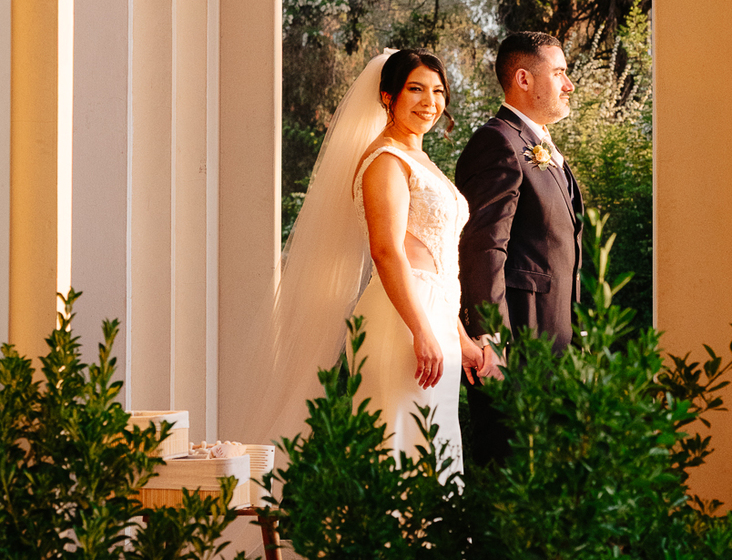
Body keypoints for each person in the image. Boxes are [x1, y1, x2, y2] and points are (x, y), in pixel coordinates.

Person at [242, 47, 493, 475]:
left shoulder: (421, 159)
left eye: (437, 91)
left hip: (433, 318)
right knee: (399, 449)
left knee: (431, 454)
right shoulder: (386, 161)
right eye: (415, 89)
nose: (429, 101)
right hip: (401, 322)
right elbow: (387, 252)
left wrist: (462, 340)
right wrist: (421, 330)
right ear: (387, 96)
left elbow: (436, 269)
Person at [455, 32, 584, 458]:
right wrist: (489, 338)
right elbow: (483, 247)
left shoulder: (537, 144)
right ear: (524, 79)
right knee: (512, 471)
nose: (568, 85)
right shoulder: (497, 142)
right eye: (559, 73)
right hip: (517, 347)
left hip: (554, 345)